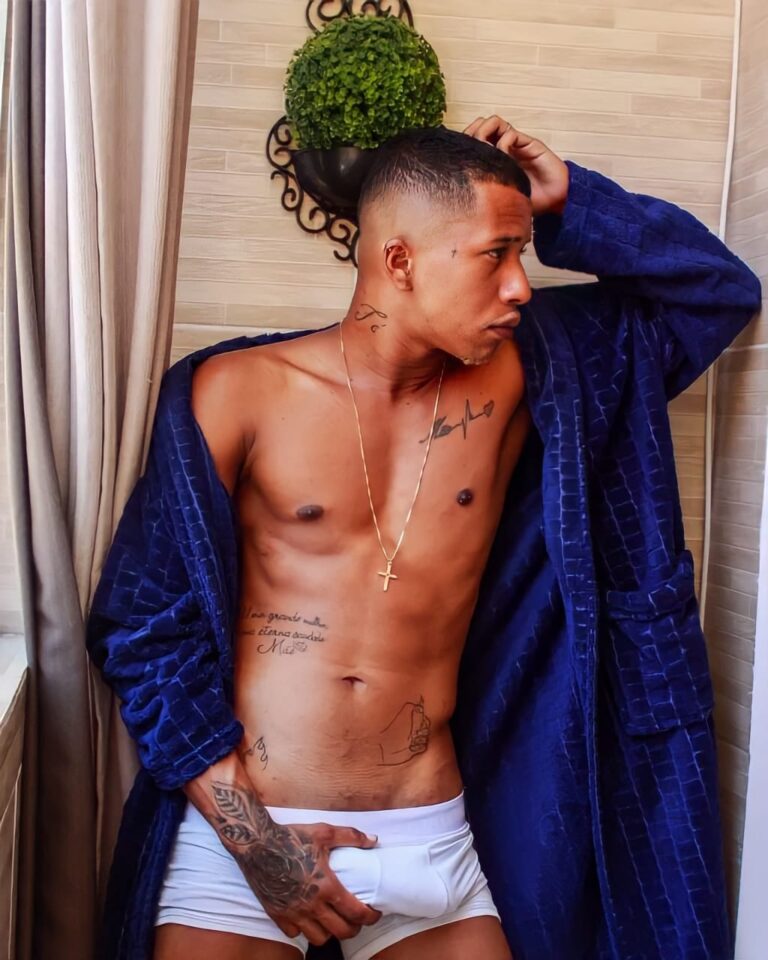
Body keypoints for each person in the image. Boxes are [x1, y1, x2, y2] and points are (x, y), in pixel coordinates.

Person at [87, 118, 762, 960]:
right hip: (245, 842)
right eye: (496, 254)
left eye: (524, 254)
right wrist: (255, 843)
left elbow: (716, 293)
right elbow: (140, 627)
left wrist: (570, 201)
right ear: (399, 260)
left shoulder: (534, 378)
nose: (521, 286)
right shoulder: (236, 392)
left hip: (430, 840)